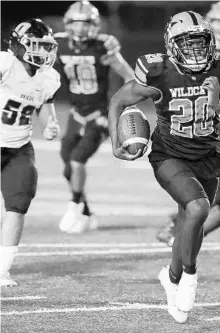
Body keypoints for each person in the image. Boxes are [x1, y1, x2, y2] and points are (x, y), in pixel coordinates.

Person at [108, 11, 220, 323]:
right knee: (198, 209)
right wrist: (115, 143)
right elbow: (120, 100)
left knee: (192, 223)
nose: (197, 51)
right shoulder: (158, 71)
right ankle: (189, 277)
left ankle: (170, 277)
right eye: (189, 44)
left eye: (201, 44)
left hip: (207, 158)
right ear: (173, 46)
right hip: (168, 155)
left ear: (211, 43)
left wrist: (218, 106)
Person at [156, 1, 220, 246]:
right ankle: (179, 233)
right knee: (217, 195)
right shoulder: (194, 52)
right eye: (218, 22)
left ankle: (183, 234)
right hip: (214, 129)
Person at [55, 0, 134, 234]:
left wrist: (119, 108)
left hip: (98, 115)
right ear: (68, 24)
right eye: (76, 24)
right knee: (68, 167)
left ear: (95, 25)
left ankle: (73, 206)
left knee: (78, 160)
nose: (80, 29)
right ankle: (86, 212)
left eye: (85, 23)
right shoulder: (58, 44)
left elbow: (129, 77)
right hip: (75, 113)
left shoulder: (103, 46)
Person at [0, 18, 61, 287]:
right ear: (18, 45)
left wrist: (50, 121)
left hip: (19, 147)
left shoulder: (49, 77)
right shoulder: (5, 64)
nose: (43, 52)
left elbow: (45, 102)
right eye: (37, 45)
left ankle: (2, 270)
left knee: (19, 201)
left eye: (47, 46)